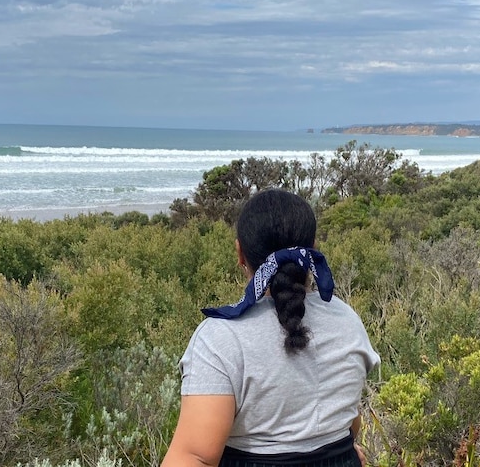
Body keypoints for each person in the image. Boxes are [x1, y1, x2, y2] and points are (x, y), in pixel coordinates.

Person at [161, 189, 380, 467]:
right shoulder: (347, 320)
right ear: (312, 248)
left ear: (240, 253)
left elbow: (194, 457)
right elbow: (349, 421)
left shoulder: (221, 339)